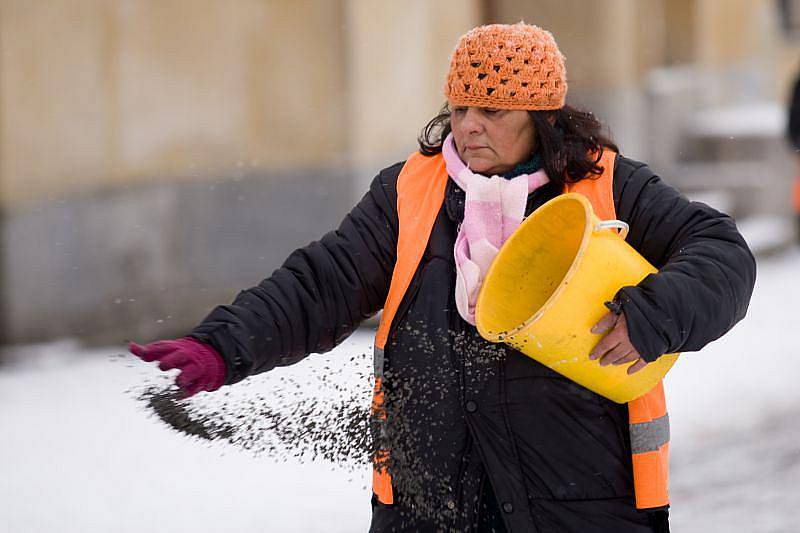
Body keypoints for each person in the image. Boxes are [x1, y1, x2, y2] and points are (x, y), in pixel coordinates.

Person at [130, 23, 756, 532]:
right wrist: (219, 344)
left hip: (580, 503)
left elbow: (723, 254)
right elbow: (321, 282)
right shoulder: (410, 192)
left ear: (541, 115)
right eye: (458, 107)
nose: (468, 125)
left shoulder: (606, 183)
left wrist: (651, 317)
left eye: (491, 108)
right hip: (429, 508)